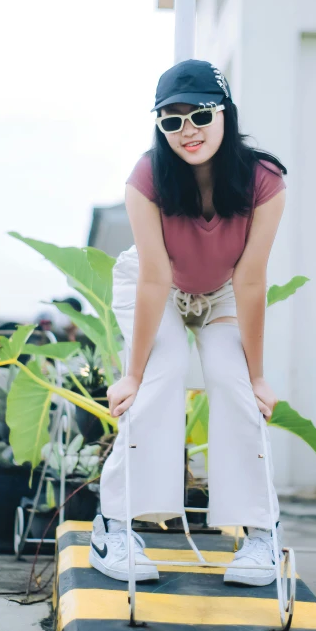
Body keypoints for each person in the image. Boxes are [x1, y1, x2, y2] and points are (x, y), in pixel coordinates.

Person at [90, 60, 287, 587]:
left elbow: (250, 282)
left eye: (199, 114)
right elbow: (155, 279)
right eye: (171, 121)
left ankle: (261, 533)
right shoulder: (147, 178)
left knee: (232, 379)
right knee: (165, 370)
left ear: (224, 112)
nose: (187, 131)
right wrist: (131, 374)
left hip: (223, 288)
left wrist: (259, 375)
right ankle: (114, 525)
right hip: (155, 286)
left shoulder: (264, 182)